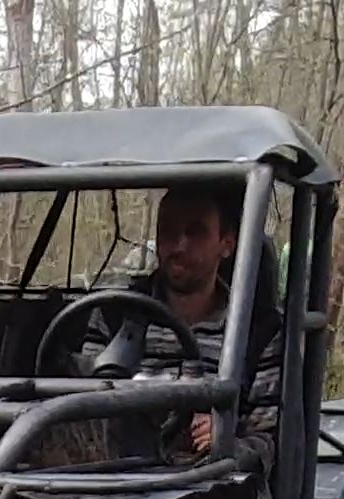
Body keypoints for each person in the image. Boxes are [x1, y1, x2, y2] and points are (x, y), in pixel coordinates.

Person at [95, 179, 282, 459]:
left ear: (227, 244)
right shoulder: (114, 313)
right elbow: (80, 411)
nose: (179, 245)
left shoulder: (258, 333)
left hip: (207, 490)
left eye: (195, 232)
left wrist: (228, 437)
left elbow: (269, 440)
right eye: (168, 230)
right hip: (109, 477)